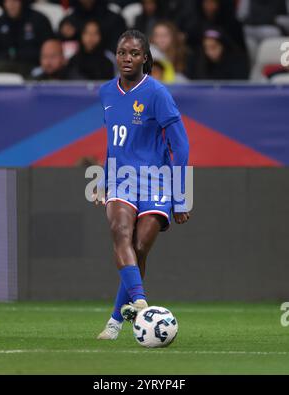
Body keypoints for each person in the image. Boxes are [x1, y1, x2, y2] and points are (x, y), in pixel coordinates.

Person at [92, 30, 190, 340]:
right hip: (121, 179)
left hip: (156, 181)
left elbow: (181, 146)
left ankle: (115, 319)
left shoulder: (157, 93)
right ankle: (141, 303)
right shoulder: (106, 92)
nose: (127, 58)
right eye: (122, 52)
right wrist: (105, 181)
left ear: (145, 58)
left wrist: (181, 197)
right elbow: (111, 145)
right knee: (120, 231)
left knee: (139, 247)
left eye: (134, 53)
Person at [0, 0, 53, 77]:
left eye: (15, 1)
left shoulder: (39, 20)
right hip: (3, 66)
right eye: (7, 1)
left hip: (32, 66)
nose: (11, 5)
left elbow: (50, 48)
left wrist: (19, 55)